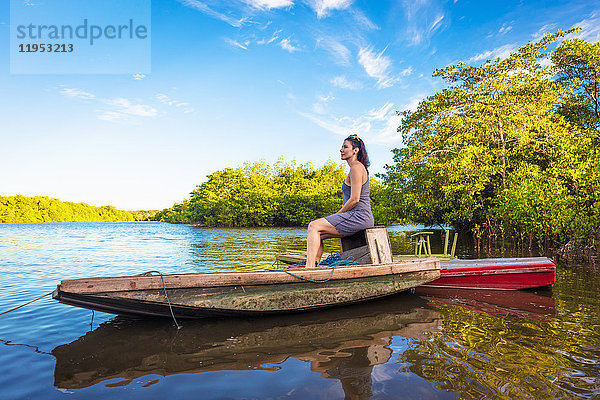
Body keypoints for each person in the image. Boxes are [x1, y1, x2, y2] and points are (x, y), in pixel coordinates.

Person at [305, 134, 374, 268]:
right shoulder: (355, 168)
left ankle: (308, 269)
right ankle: (315, 266)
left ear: (355, 150)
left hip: (359, 215)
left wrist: (338, 214)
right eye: (342, 147)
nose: (341, 150)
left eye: (345, 147)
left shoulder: (356, 168)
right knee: (319, 234)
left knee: (313, 226)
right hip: (360, 216)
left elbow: (355, 199)